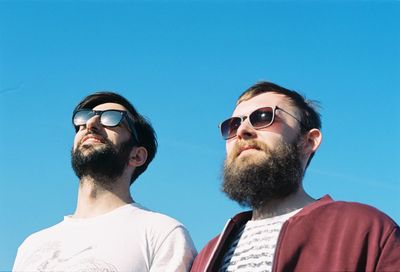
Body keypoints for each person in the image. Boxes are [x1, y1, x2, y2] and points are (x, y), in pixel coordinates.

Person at [191, 82, 400, 272]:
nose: (242, 131)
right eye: (233, 125)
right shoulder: (206, 255)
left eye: (263, 117)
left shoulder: (366, 230)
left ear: (308, 141)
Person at [13, 92, 197, 272]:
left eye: (111, 118)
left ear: (137, 155)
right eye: (84, 118)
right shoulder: (31, 246)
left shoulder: (163, 233)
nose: (90, 123)